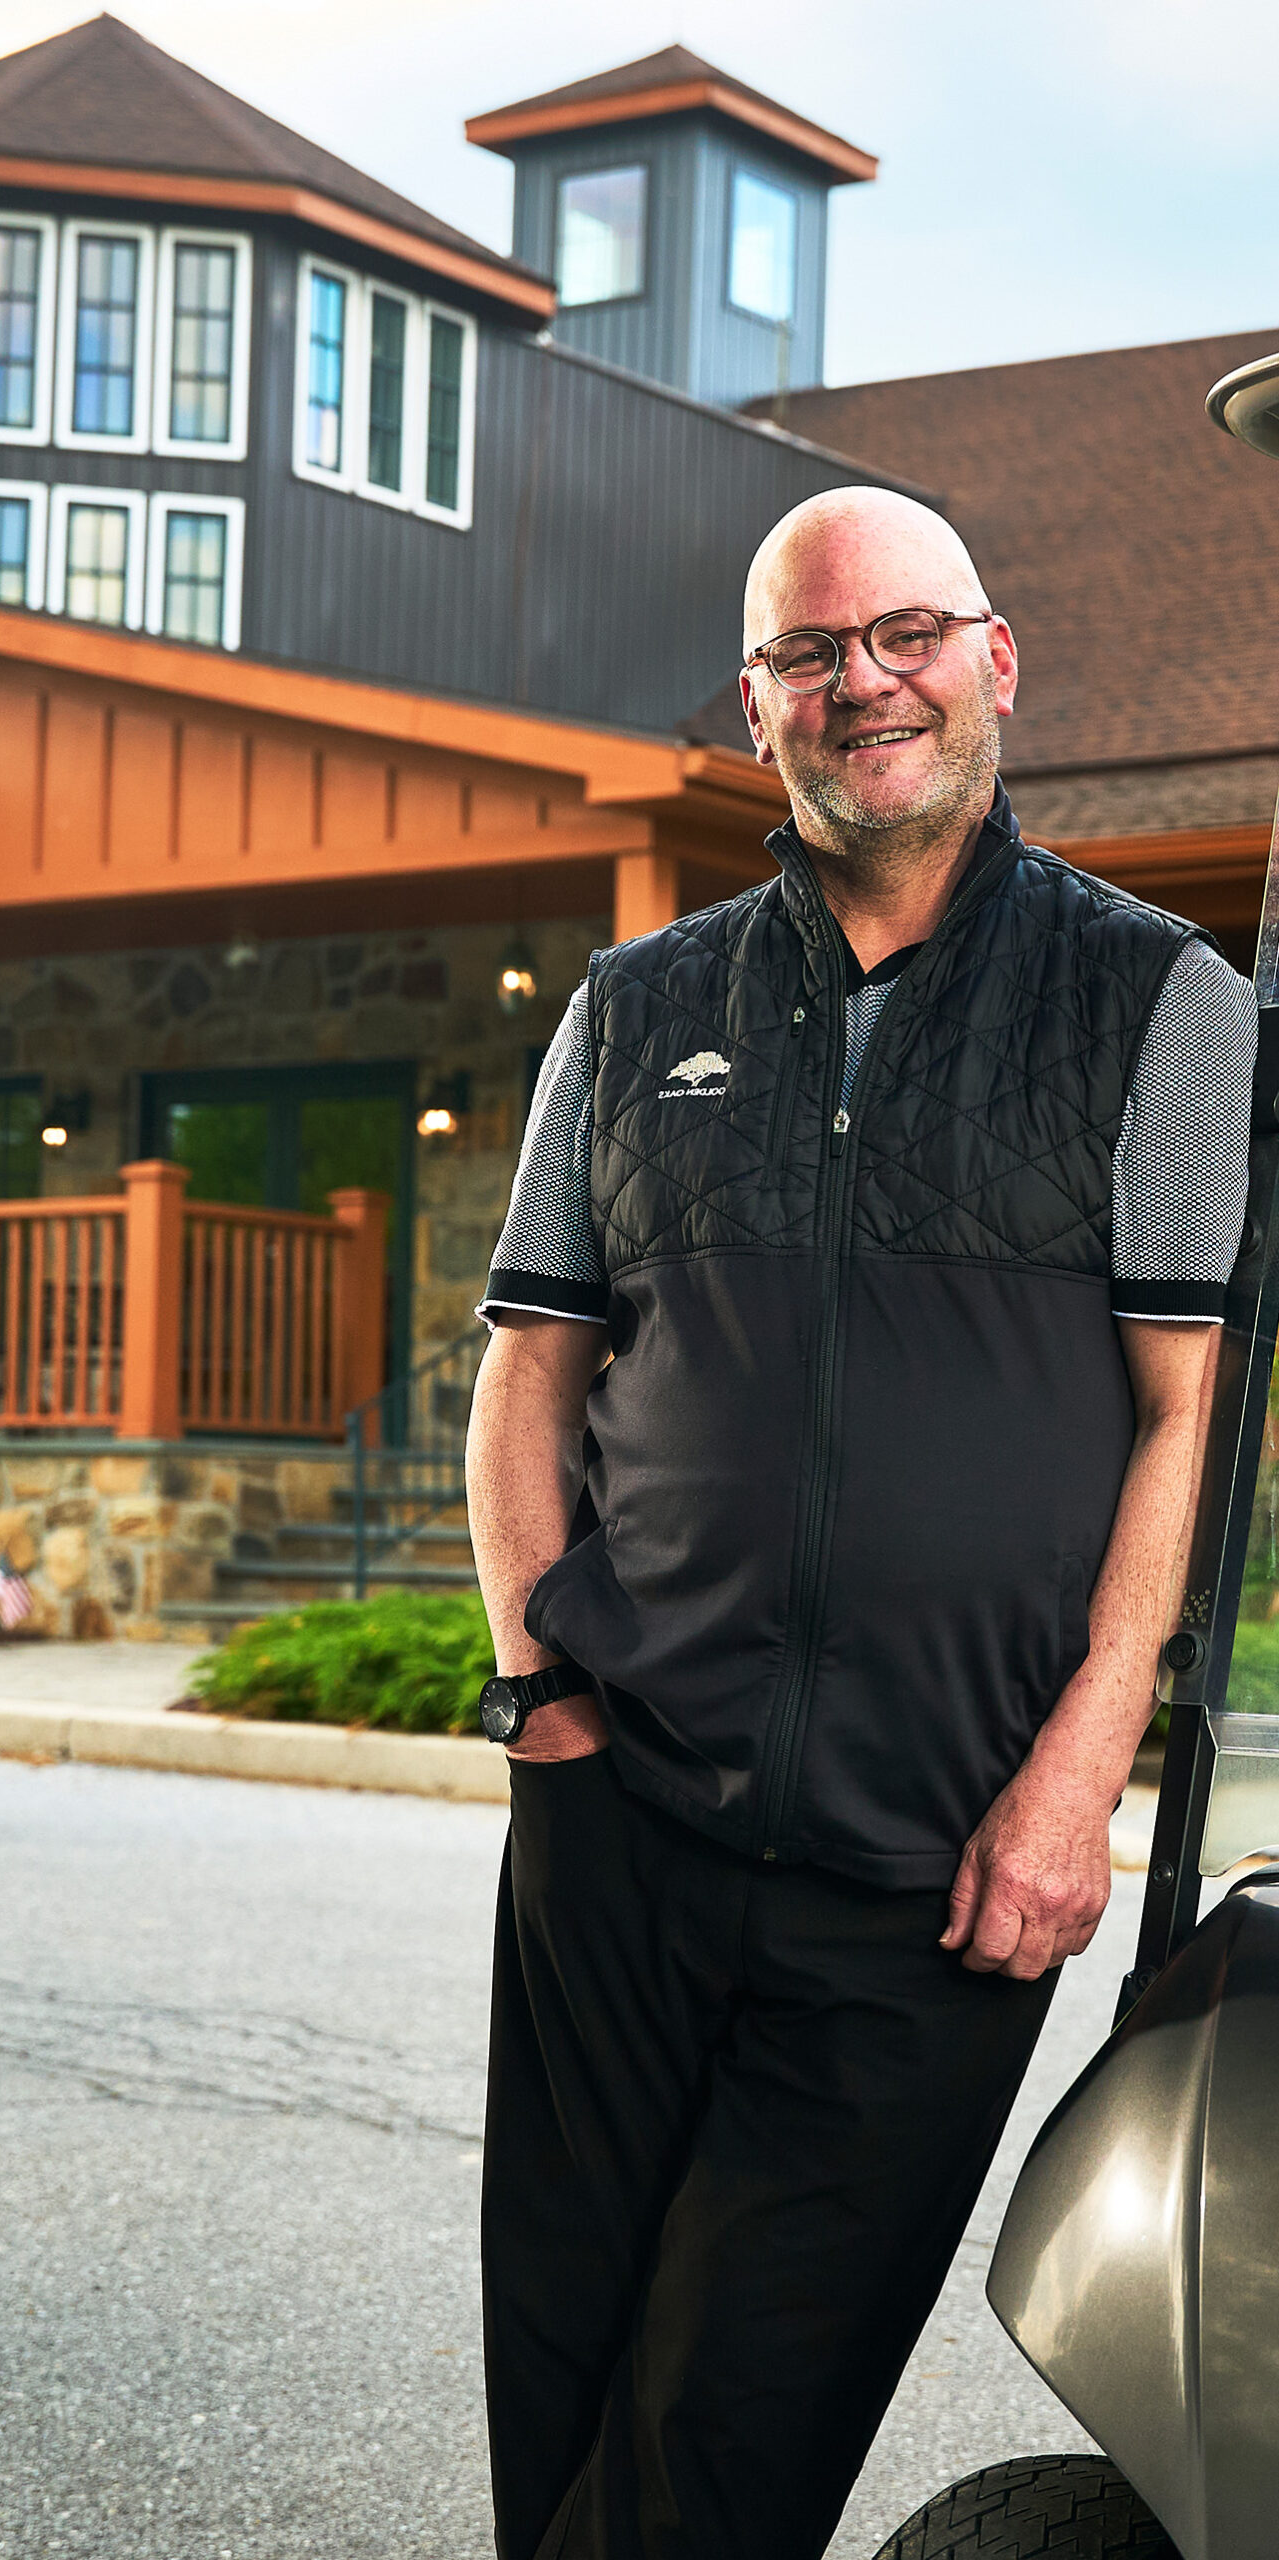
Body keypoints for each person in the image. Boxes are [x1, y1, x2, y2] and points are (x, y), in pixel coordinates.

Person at [464, 486, 1257, 2560]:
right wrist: (535, 1690)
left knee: (726, 2431)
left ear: (994, 660)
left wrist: (1078, 1771)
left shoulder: (1157, 1002)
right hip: (611, 1823)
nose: (862, 679)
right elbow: (530, 1366)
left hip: (929, 1871)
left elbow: (1186, 1412)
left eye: (905, 632)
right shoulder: (630, 1012)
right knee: (553, 2394)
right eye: (813, 652)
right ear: (758, 704)